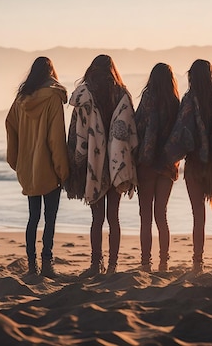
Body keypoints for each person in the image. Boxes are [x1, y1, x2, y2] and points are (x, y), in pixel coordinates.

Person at [65, 54, 138, 276]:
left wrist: (75, 162)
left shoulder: (84, 95)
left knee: (97, 218)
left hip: (93, 164)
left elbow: (76, 133)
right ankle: (113, 266)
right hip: (117, 164)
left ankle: (96, 264)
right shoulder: (122, 94)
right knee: (113, 217)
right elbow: (132, 132)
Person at [165, 59, 212, 274]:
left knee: (198, 216)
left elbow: (181, 133)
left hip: (195, 165)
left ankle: (198, 263)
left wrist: (169, 157)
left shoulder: (189, 100)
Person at [5, 56, 69, 278]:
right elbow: (56, 139)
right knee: (50, 218)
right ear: (51, 72)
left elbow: (10, 126)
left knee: (33, 217)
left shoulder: (21, 99)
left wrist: (16, 160)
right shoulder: (53, 98)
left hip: (29, 168)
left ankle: (32, 266)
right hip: (49, 169)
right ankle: (47, 265)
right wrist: (63, 171)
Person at [135, 63, 180, 272]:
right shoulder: (175, 102)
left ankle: (146, 263)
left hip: (146, 164)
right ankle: (163, 261)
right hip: (167, 164)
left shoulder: (147, 99)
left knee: (146, 216)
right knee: (161, 214)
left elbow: (138, 128)